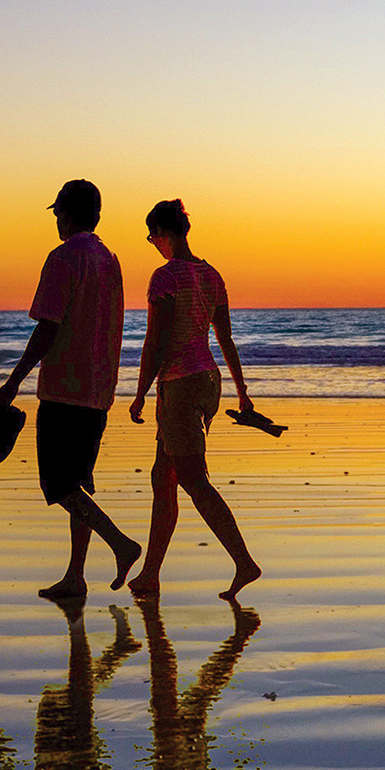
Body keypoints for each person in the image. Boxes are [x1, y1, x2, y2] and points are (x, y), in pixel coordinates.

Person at [0, 179, 144, 600]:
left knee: (59, 486)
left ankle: (120, 543)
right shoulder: (109, 260)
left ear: (67, 213)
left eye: (58, 212)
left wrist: (15, 379)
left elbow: (48, 325)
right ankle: (75, 576)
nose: (56, 220)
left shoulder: (64, 258)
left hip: (64, 388)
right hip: (100, 388)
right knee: (78, 483)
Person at [125, 198, 261, 600]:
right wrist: (242, 390)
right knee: (162, 477)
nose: (153, 244)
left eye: (152, 237)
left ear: (164, 235)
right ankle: (150, 574)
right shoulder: (211, 274)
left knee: (193, 480)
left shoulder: (165, 277)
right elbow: (226, 339)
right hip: (208, 380)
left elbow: (157, 340)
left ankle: (244, 562)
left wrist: (140, 393)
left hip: (180, 383)